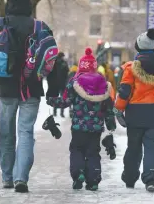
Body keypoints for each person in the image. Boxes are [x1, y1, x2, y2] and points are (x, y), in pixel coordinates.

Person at [0, 0, 59, 193]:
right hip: (31, 89)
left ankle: (7, 177)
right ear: (29, 5)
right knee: (25, 132)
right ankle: (20, 177)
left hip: (6, 88)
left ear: (9, 4)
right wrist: (53, 91)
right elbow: (53, 59)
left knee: (6, 133)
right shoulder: (40, 26)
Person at [46, 47, 116, 191]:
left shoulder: (75, 82)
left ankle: (78, 175)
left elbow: (65, 101)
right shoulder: (103, 84)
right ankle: (94, 180)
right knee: (93, 152)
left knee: (77, 150)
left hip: (79, 127)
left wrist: (52, 101)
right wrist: (110, 120)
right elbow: (109, 105)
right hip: (96, 128)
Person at [113, 29, 154, 192]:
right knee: (152, 146)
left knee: (134, 147)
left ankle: (130, 178)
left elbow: (125, 91)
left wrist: (118, 109)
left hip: (136, 114)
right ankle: (151, 178)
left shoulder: (131, 68)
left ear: (139, 47)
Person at [53, 52, 69, 117]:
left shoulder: (54, 62)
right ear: (62, 56)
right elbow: (67, 71)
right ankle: (62, 113)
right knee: (63, 98)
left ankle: (54, 112)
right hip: (62, 83)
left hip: (55, 83)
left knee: (55, 98)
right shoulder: (64, 63)